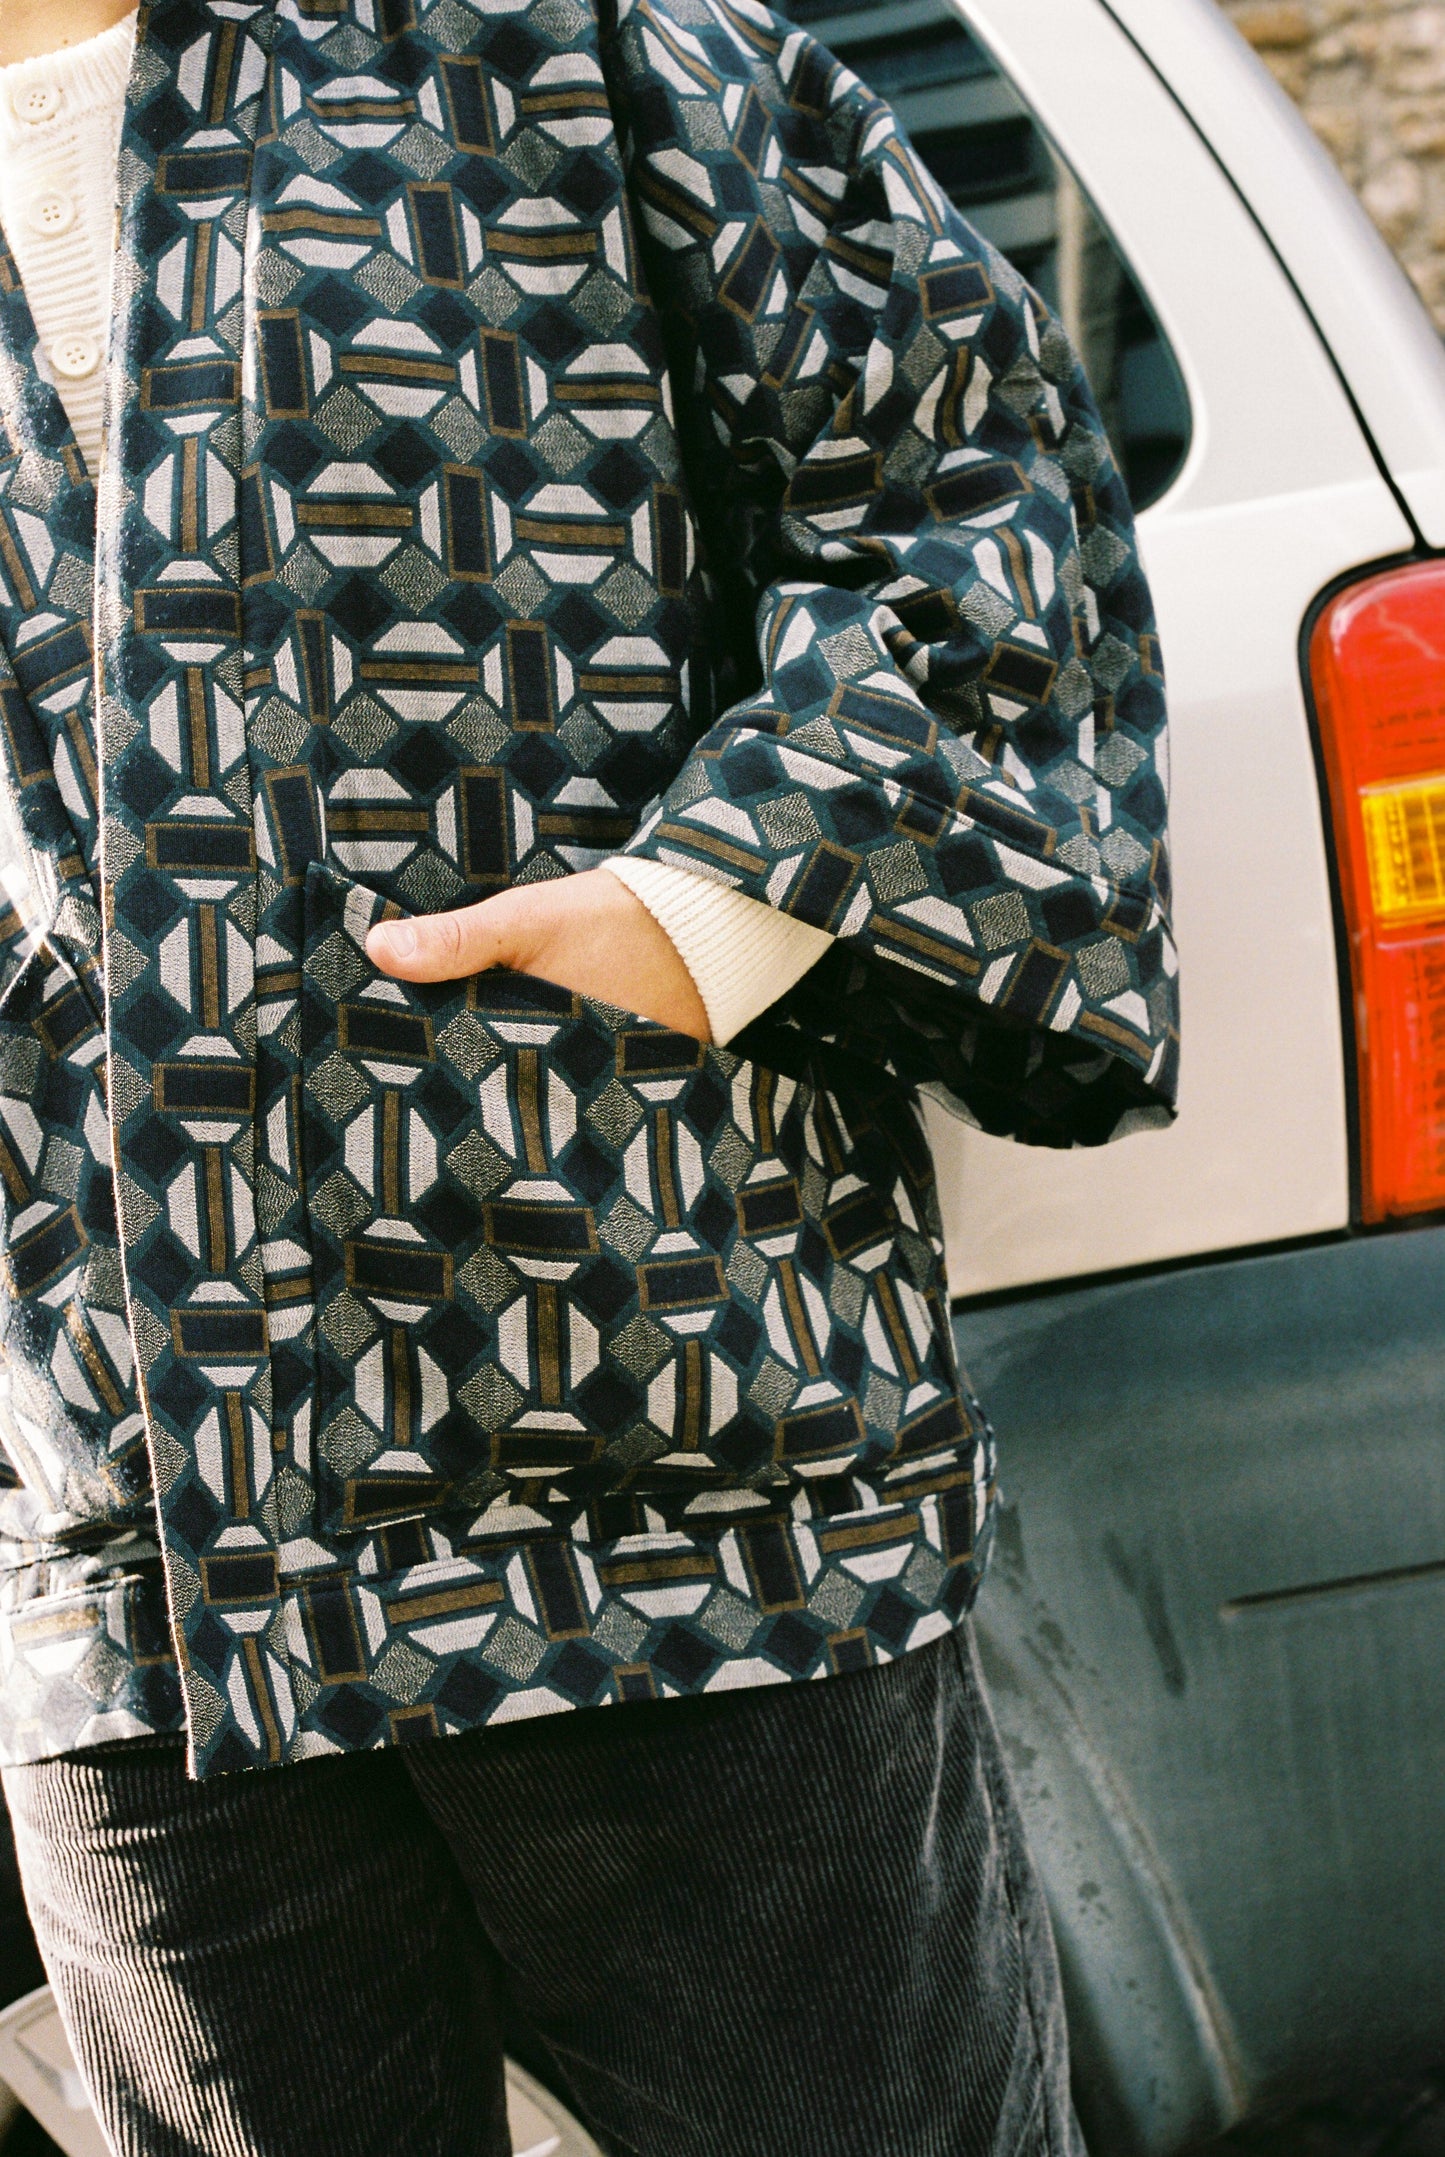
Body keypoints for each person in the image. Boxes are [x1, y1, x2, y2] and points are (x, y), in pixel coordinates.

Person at [0, 0, 1178, 2145]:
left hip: (662, 1462)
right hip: (135, 1563)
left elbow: (968, 493)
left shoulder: (566, 40)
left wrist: (725, 895)